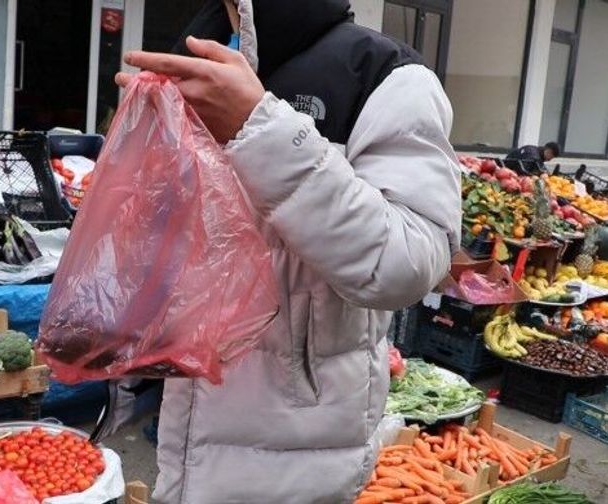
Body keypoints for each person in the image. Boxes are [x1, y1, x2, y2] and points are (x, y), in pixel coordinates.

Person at [115, 1, 461, 502]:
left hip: (297, 450)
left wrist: (259, 129)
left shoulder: (385, 75)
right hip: (180, 431)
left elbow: (409, 263)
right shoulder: (194, 50)